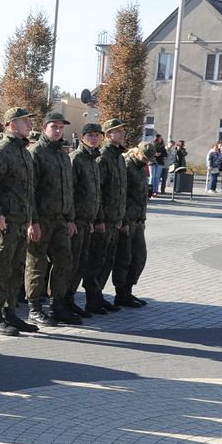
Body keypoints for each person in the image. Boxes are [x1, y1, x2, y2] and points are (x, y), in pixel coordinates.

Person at [0, 107, 36, 336]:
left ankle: (10, 313)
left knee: (15, 269)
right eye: (25, 121)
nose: (29, 124)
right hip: (4, 223)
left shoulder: (22, 151)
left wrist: (31, 220)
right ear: (12, 124)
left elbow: (27, 191)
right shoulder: (1, 149)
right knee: (0, 269)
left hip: (20, 222)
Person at [25, 112, 81, 327]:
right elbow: (29, 190)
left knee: (64, 262)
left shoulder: (63, 154)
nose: (58, 130)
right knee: (37, 264)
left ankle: (57, 305)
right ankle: (35, 308)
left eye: (60, 127)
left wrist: (70, 218)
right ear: (44, 128)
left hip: (60, 220)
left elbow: (69, 190)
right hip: (41, 219)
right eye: (54, 127)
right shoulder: (36, 152)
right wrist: (32, 221)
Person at [83, 118, 127, 315]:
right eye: (117, 131)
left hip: (114, 219)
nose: (122, 134)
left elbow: (121, 191)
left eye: (122, 131)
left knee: (107, 260)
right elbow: (97, 192)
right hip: (104, 220)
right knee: (96, 260)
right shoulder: (103, 158)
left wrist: (121, 218)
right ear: (108, 135)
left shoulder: (118, 157)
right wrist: (99, 218)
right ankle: (92, 298)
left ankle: (99, 295)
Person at [68, 123, 103, 318]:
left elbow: (95, 193)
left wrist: (94, 218)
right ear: (82, 138)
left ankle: (70, 298)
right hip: (76, 220)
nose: (94, 138)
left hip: (86, 220)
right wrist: (71, 219)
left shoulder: (93, 160)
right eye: (90, 135)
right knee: (71, 263)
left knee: (81, 263)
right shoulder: (77, 158)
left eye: (97, 135)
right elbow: (70, 191)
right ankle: (63, 299)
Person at [112, 142, 152, 309]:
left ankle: (127, 290)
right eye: (144, 157)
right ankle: (120, 293)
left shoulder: (140, 168)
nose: (147, 161)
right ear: (136, 152)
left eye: (149, 159)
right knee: (124, 258)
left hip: (138, 219)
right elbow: (122, 196)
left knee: (139, 257)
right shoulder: (128, 166)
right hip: (128, 220)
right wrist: (124, 220)